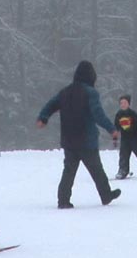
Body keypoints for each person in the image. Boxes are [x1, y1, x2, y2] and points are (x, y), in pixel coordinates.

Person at [36, 60, 121, 208]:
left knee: (68, 171)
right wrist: (111, 129)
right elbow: (98, 114)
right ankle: (106, 195)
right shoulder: (90, 93)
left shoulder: (65, 91)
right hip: (86, 139)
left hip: (69, 139)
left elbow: (51, 104)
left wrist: (43, 118)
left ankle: (63, 200)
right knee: (96, 169)